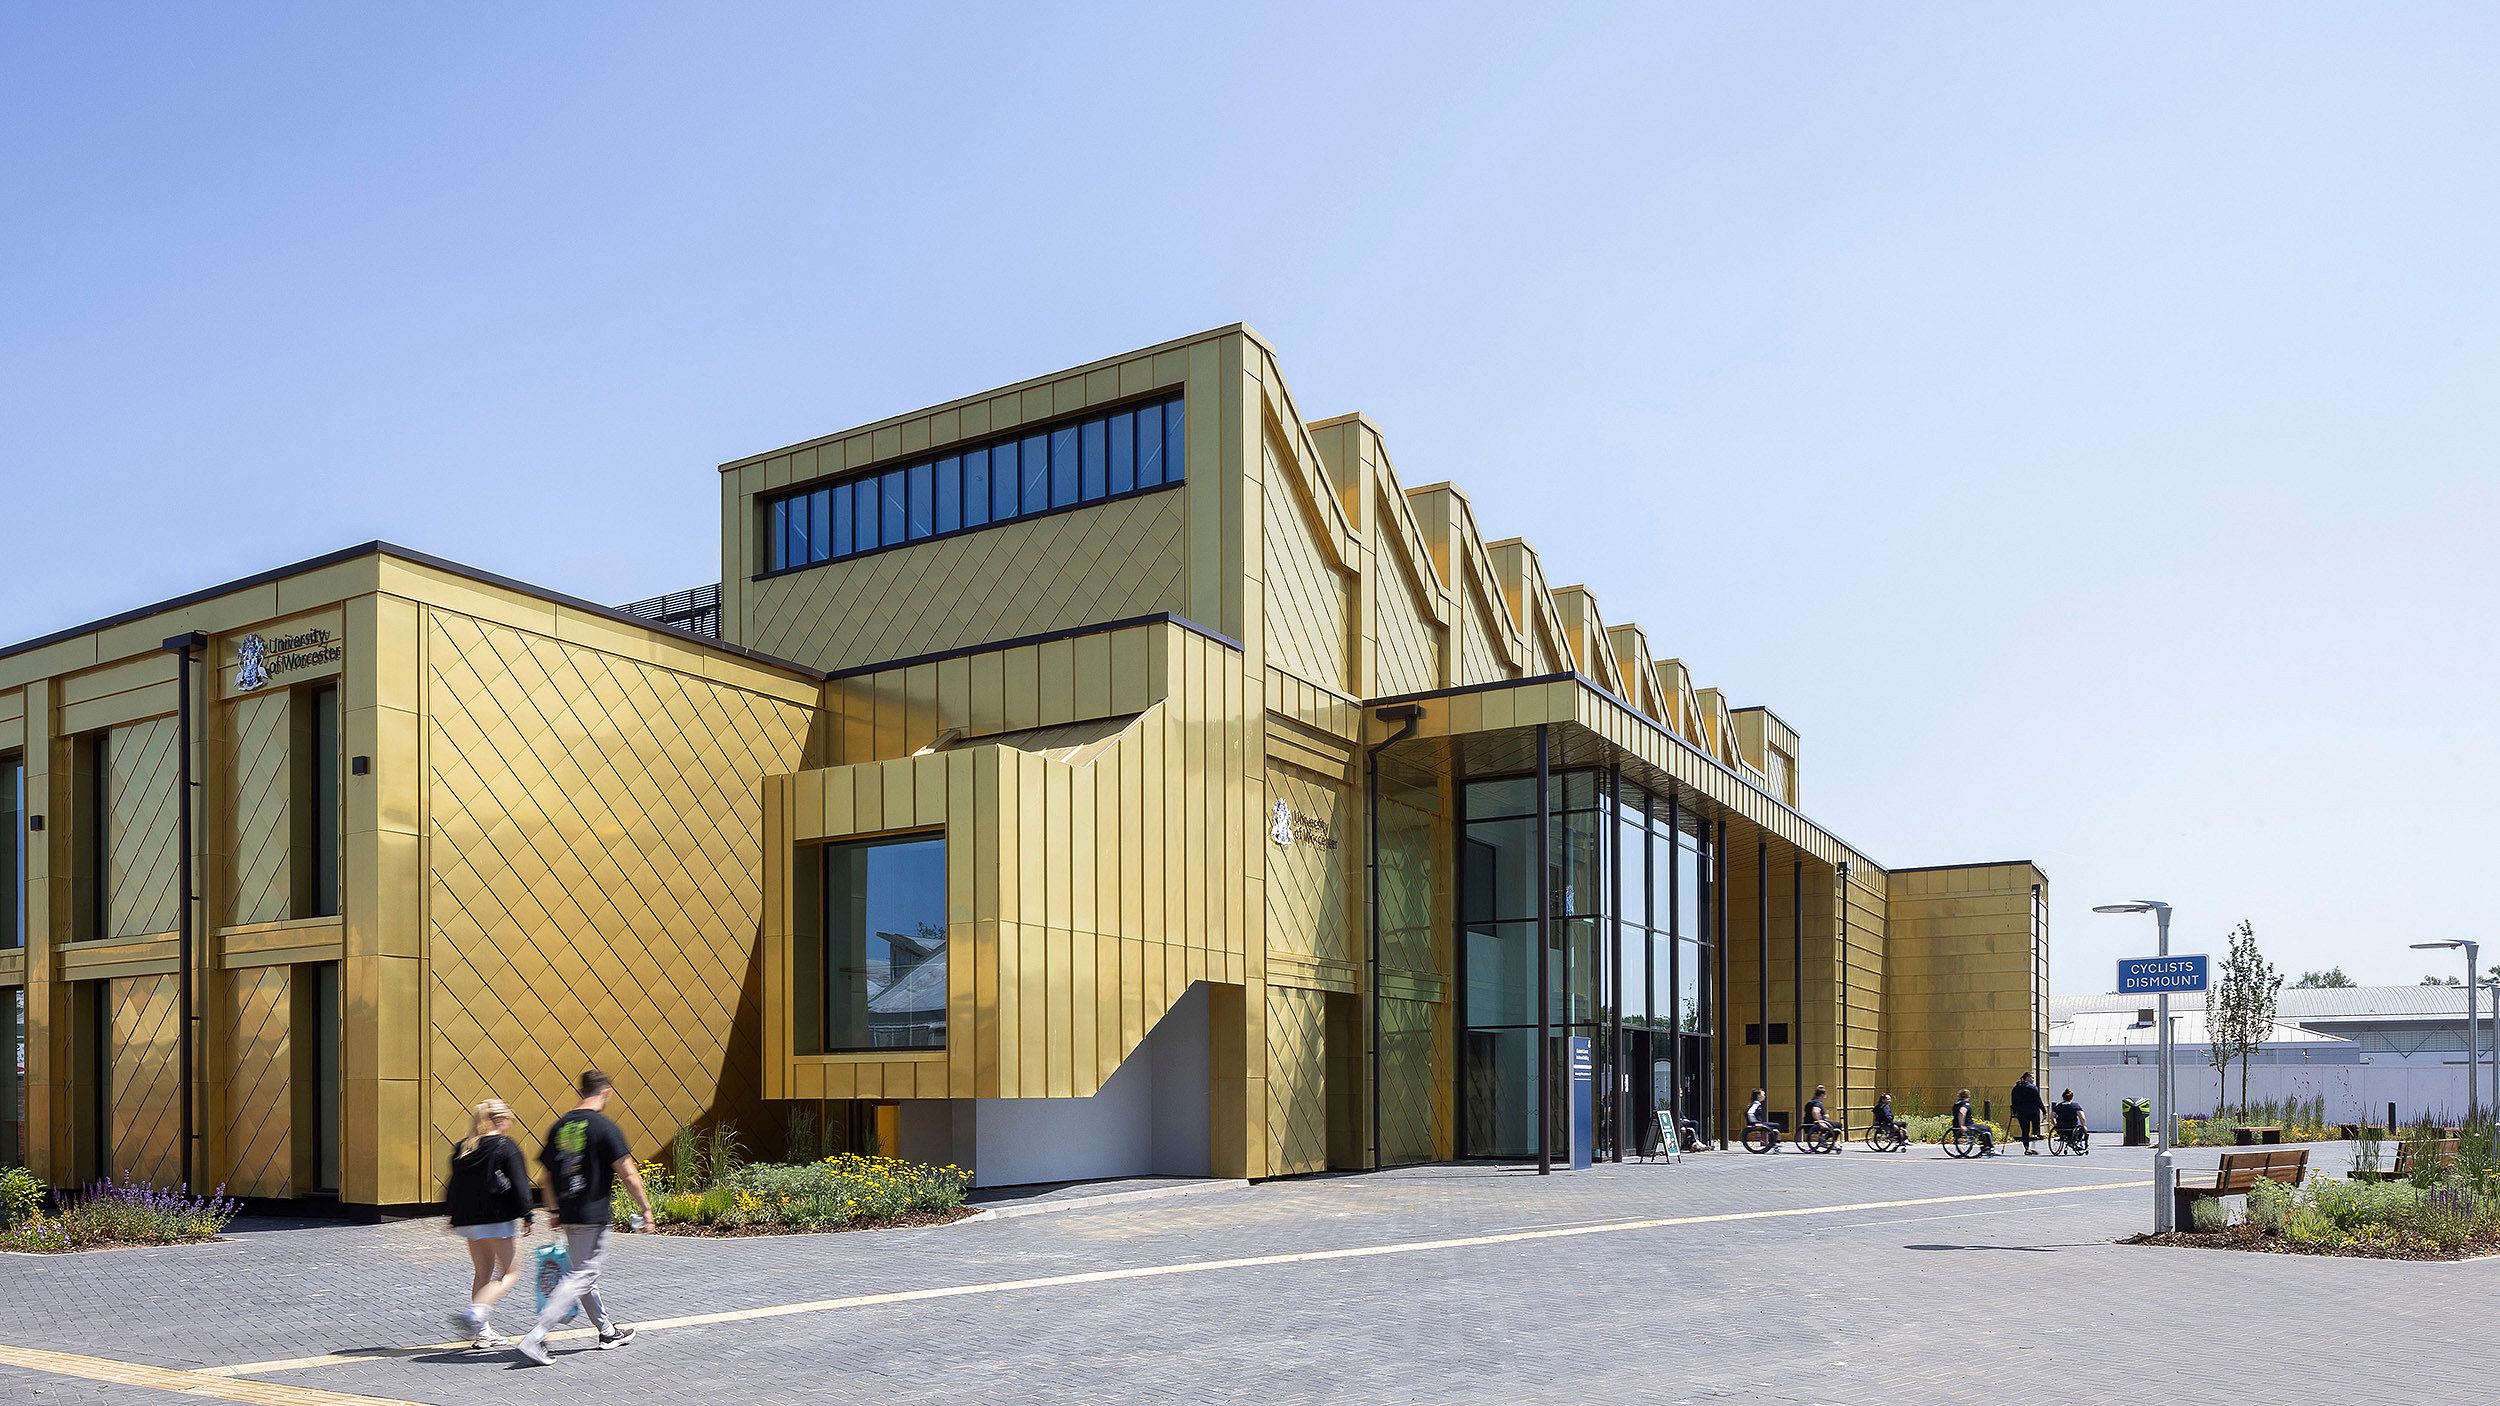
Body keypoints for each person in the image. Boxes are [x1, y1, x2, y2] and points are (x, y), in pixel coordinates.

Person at [514, 1071, 656, 1366]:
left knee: (583, 1274)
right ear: (604, 1093)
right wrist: (645, 1210)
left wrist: (553, 1210)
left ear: (582, 1091)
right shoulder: (604, 1127)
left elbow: (546, 1177)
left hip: (569, 1213)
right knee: (582, 1276)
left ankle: (606, 1332)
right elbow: (627, 1172)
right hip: (593, 1213)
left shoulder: (560, 1126)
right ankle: (535, 1337)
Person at [444, 1098, 536, 1348]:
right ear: (499, 1120)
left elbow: (454, 1186)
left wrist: (453, 1217)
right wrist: (528, 1215)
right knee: (510, 1272)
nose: (509, 1125)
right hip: (497, 1219)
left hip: (469, 1221)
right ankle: (474, 1314)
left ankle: (482, 1332)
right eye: (508, 1120)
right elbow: (519, 1184)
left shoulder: (464, 1147)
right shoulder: (505, 1146)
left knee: (482, 1272)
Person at [1952, 1087, 1996, 1156]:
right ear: (1968, 1096)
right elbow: (1962, 1112)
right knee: (1987, 1128)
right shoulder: (1966, 1104)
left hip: (1955, 1126)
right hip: (1969, 1125)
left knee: (1981, 1130)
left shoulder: (1956, 1104)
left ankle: (1985, 1148)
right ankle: (1989, 1148)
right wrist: (1962, 1126)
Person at [2011, 1072, 2045, 1155]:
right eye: (2032, 1078)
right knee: (2035, 1124)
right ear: (2027, 1078)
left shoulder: (2016, 1088)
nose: (2033, 1080)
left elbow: (2013, 1101)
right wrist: (2044, 1111)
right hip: (2032, 1110)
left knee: (2025, 1130)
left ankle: (2027, 1148)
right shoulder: (2033, 1088)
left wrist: (2014, 1111)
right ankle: (2035, 1133)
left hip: (2021, 1111)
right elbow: (2038, 1101)